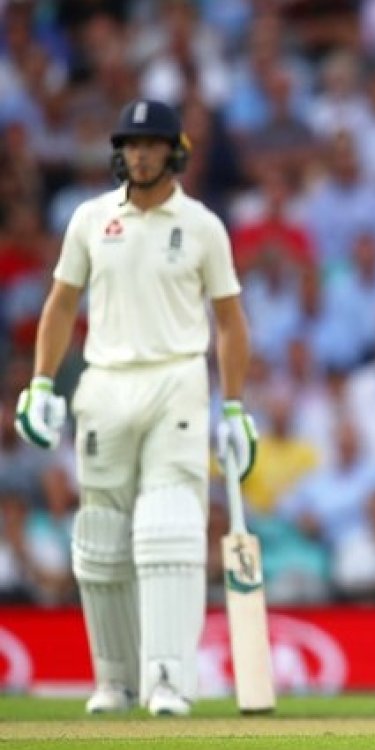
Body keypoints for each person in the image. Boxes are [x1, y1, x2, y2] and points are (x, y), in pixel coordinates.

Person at [13, 99, 258, 716]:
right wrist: (42, 383)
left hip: (176, 379)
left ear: (174, 150)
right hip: (104, 385)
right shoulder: (90, 219)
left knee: (169, 528)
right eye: (130, 144)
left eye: (150, 144)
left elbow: (229, 322)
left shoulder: (202, 225)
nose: (139, 154)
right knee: (99, 539)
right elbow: (61, 306)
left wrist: (233, 406)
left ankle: (170, 680)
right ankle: (116, 681)